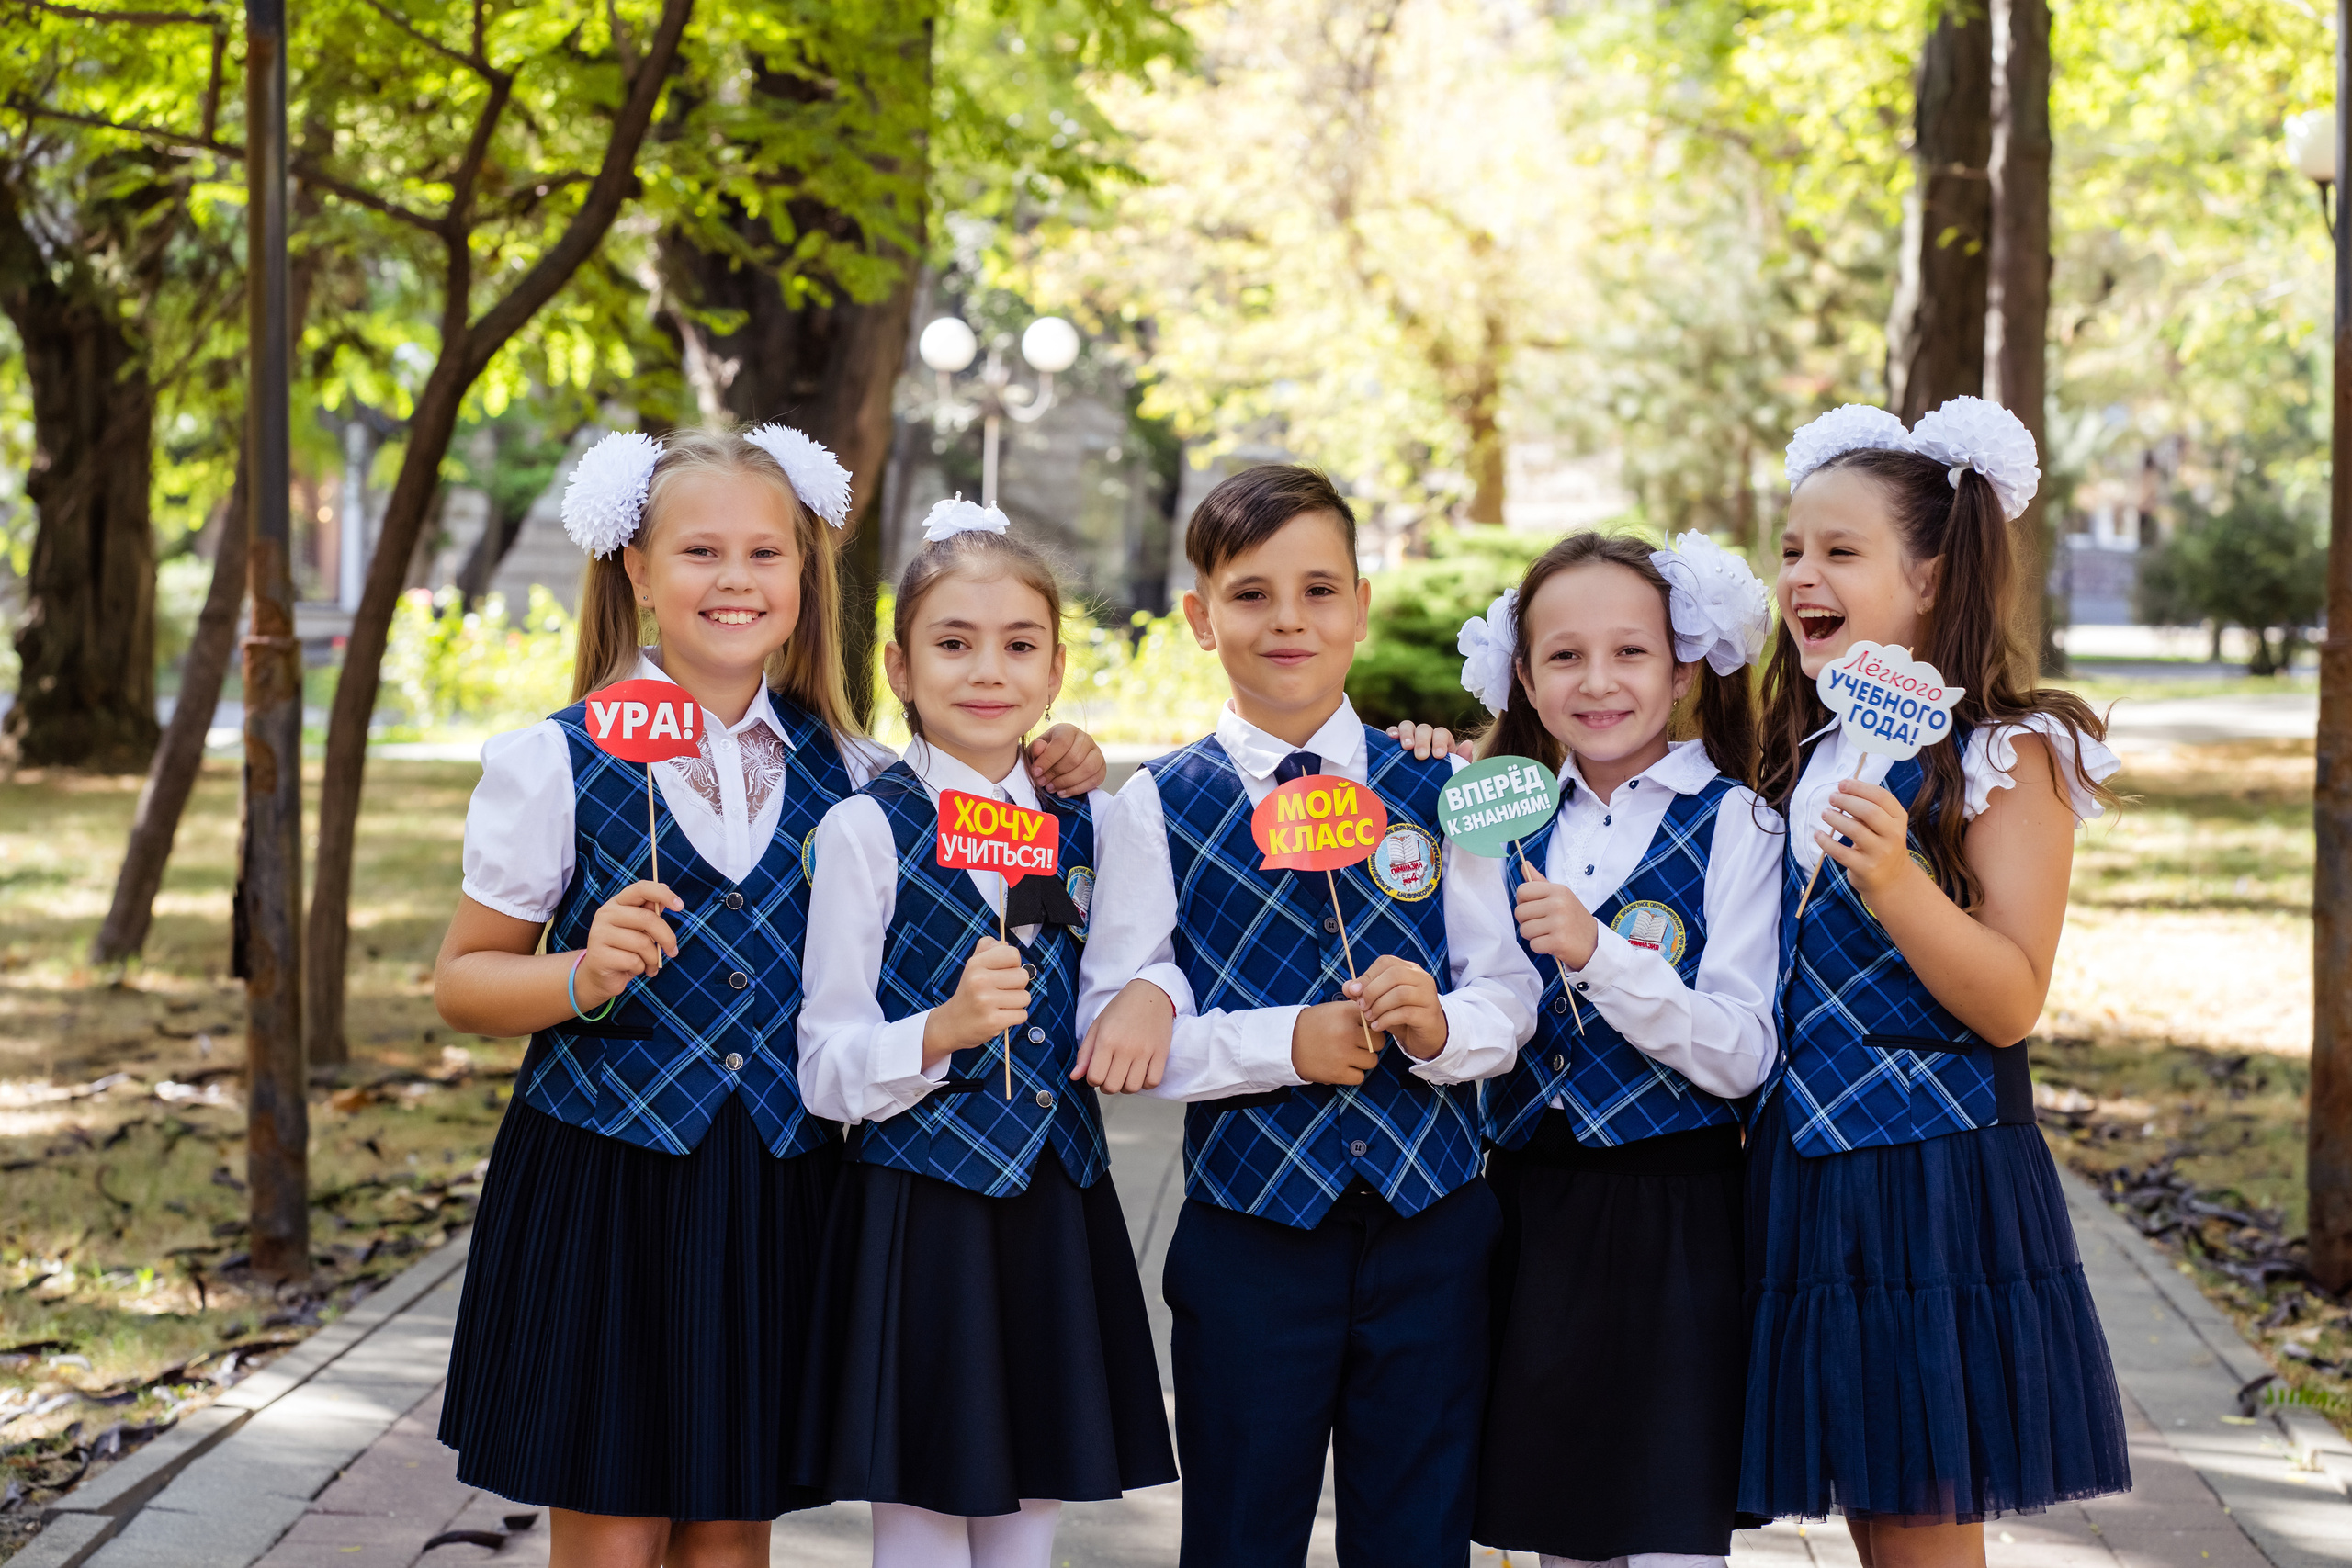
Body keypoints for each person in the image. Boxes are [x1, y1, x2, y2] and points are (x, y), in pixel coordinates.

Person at [433, 430, 1104, 1568]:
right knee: (613, 1517)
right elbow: (462, 981)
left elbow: (975, 811)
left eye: (766, 553)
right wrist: (578, 976)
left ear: (806, 580)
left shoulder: (852, 773)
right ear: (636, 570)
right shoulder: (554, 760)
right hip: (612, 1178)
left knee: (735, 1521)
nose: (736, 579)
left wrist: (1054, 762)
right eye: (700, 551)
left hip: (778, 1178)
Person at [1079, 463, 1542, 1568]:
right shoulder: (1157, 804)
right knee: (1241, 1531)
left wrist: (1438, 1029)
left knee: (1418, 1532)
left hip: (1433, 1225)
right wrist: (1279, 1043)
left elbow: (1507, 991)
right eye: (1250, 594)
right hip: (1251, 1239)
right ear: (1199, 617)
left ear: (1360, 606)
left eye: (1319, 590)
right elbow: (1116, 1020)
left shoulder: (1439, 788)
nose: (1287, 619)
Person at [1742, 398, 2132, 1556]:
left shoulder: (2007, 754)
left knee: (1917, 1519)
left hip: (1928, 1178)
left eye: (1839, 552)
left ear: (1929, 576)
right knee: (1867, 1503)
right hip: (1798, 1170)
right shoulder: (1796, 745)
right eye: (1792, 551)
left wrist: (1902, 884)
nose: (1803, 574)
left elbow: (2011, 999)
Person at [792, 497, 1176, 1568]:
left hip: (1055, 1198)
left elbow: (1134, 972)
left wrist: (1152, 1000)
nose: (986, 670)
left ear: (1055, 671)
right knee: (916, 1523)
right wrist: (942, 1030)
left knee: (1026, 1523)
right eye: (952, 644)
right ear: (900, 667)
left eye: (1018, 645)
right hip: (920, 1207)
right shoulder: (866, 828)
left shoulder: (1092, 820)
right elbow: (824, 1064)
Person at [1459, 531, 1781, 1568]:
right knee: (1561, 1532)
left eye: (1630, 654)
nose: (1598, 683)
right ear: (1524, 677)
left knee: (1667, 1530)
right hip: (1527, 1206)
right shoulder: (1492, 815)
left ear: (1683, 665)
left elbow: (1742, 1055)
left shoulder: (1738, 825)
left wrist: (1602, 956)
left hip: (1676, 1216)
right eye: (1563, 657)